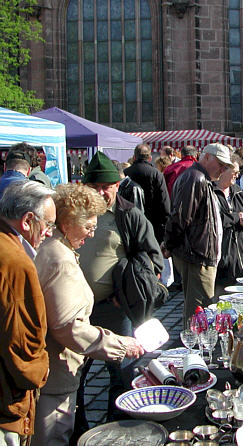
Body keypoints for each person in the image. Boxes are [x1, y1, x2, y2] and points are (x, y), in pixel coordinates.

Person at [33, 183, 144, 446]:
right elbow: (69, 328)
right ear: (68, 221)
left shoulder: (55, 248)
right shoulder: (60, 259)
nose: (92, 234)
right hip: (55, 374)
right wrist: (120, 344)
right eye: (88, 227)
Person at [78, 151, 163, 421]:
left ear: (117, 185)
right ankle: (77, 427)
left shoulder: (129, 215)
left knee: (123, 373)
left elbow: (153, 260)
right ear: (85, 187)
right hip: (78, 311)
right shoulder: (74, 215)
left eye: (107, 187)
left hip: (114, 309)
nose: (102, 193)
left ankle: (119, 425)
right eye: (95, 187)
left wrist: (128, 293)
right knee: (75, 375)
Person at [0, 181, 55, 445]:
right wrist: (40, 371)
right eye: (48, 225)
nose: (48, 233)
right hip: (6, 403)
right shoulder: (15, 262)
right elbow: (23, 346)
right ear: (27, 220)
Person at [163, 143, 233, 321]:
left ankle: (196, 343)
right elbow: (180, 217)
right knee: (198, 312)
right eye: (221, 164)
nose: (223, 169)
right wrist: (169, 244)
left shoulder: (200, 178)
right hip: (196, 256)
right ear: (207, 157)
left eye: (226, 166)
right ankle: (194, 346)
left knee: (200, 310)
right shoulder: (196, 178)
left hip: (198, 255)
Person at [213, 157, 243, 293]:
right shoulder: (211, 192)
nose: (237, 175)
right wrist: (236, 218)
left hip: (242, 256)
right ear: (223, 171)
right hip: (222, 257)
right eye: (235, 172)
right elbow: (213, 219)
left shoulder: (238, 191)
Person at [124, 143, 170, 243]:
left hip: (130, 220)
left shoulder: (126, 172)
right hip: (152, 221)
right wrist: (166, 221)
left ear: (134, 157)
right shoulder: (156, 173)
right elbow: (164, 200)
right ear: (149, 158)